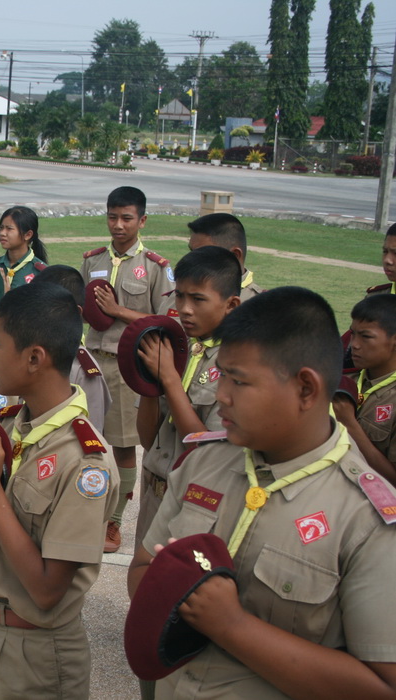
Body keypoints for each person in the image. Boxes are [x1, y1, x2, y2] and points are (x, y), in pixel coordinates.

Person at [129, 286, 396, 700]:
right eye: (222, 375)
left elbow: (382, 685)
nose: (221, 396)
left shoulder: (366, 518)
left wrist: (231, 625)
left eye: (239, 381)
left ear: (306, 389)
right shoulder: (203, 462)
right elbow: (142, 569)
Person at [0, 282, 119, 699]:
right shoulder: (11, 427)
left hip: (34, 652)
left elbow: (47, 591)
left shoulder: (84, 461)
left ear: (35, 358)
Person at [80, 186, 174, 553]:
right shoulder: (92, 260)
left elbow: (164, 321)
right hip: (90, 364)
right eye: (112, 217)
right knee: (84, 442)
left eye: (126, 218)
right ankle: (86, 511)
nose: (118, 225)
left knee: (121, 447)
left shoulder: (155, 267)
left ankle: (114, 521)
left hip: (125, 367)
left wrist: (118, 311)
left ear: (142, 220)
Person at [133, 246, 242, 548]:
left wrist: (169, 378)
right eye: (179, 296)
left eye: (198, 299)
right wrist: (151, 384)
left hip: (196, 500)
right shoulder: (174, 347)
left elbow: (204, 449)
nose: (185, 308)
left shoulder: (236, 364)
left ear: (231, 304)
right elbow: (147, 439)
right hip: (154, 488)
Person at [31, 264, 111, 431]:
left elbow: (91, 433)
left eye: (48, 308)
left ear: (75, 312)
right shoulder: (30, 355)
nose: (37, 315)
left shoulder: (83, 372)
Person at [333, 294, 396, 485]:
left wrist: (349, 424)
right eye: (353, 334)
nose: (354, 345)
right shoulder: (344, 380)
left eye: (366, 336)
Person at [0, 206, 47, 346]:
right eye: (1, 228)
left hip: (22, 344)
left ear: (28, 235)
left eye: (9, 229)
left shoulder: (40, 272)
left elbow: (41, 320)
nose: (2, 233)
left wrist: (10, 300)